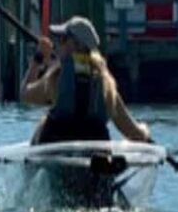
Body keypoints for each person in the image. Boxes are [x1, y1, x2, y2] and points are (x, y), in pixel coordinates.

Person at [20, 15, 150, 145]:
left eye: (63, 39)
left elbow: (24, 94)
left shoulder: (56, 76)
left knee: (43, 122)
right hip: (95, 147)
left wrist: (38, 59)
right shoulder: (106, 83)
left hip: (57, 143)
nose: (58, 45)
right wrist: (144, 131)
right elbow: (132, 131)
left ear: (76, 45)